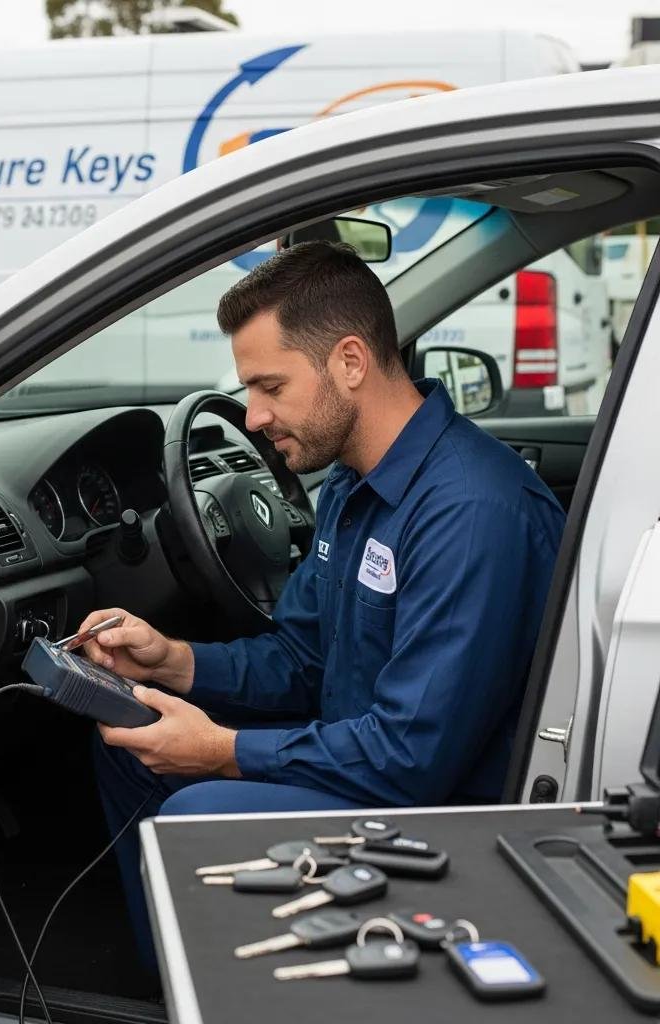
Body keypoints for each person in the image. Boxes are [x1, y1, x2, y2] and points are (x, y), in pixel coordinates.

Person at [81, 240, 566, 967]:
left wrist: (222, 753)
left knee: (191, 811)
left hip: (436, 814)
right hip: (365, 754)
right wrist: (175, 662)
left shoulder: (471, 512)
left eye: (270, 387)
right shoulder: (351, 481)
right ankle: (182, 981)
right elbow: (304, 659)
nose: (252, 417)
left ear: (349, 362)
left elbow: (411, 760)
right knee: (130, 741)